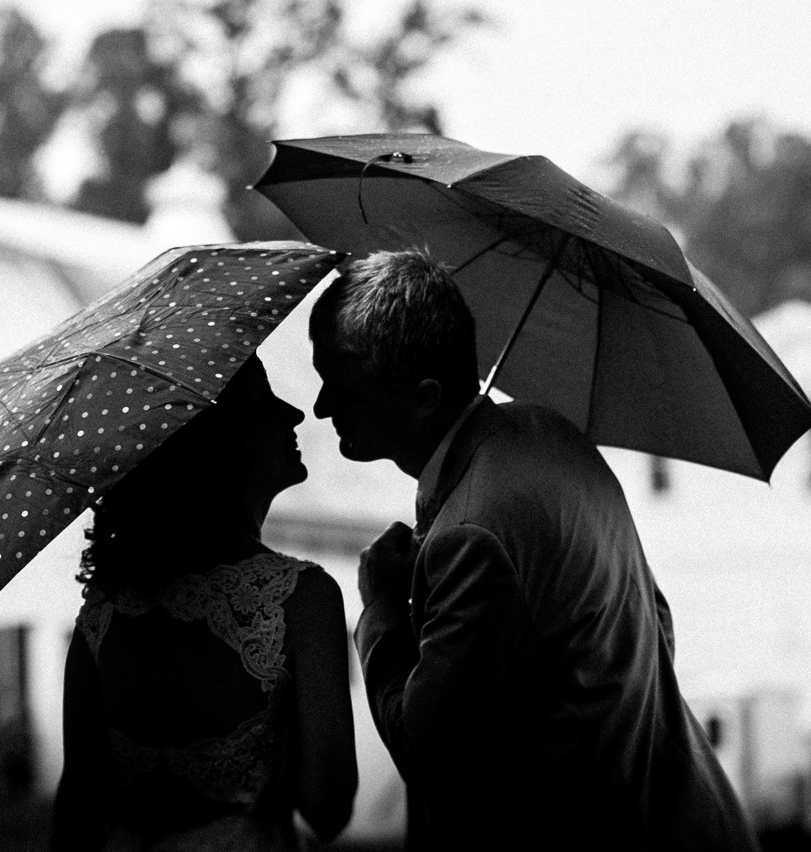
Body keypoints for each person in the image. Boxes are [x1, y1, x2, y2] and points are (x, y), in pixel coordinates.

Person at [310, 249, 756, 852]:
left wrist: (382, 608)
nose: (321, 407)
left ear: (423, 396)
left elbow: (427, 753)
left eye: (342, 388)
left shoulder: (474, 531)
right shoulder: (554, 437)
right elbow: (657, 627)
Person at [51, 356, 357, 852]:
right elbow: (328, 806)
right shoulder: (302, 600)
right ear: (223, 441)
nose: (294, 414)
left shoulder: (103, 618)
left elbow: (76, 812)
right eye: (266, 402)